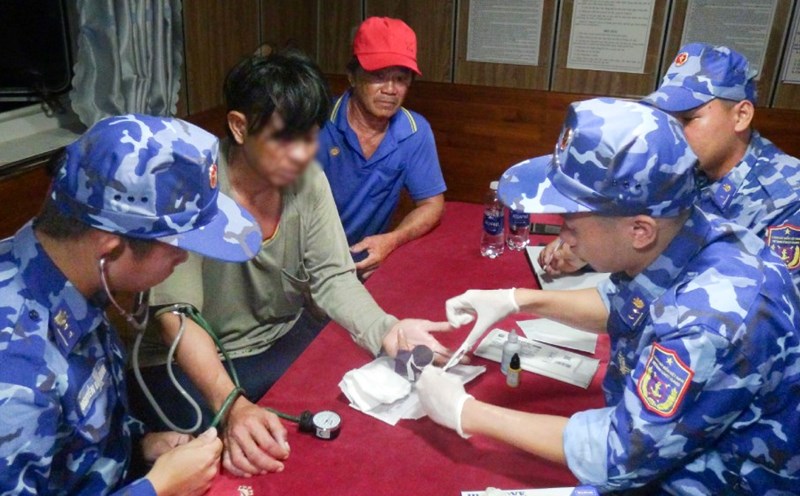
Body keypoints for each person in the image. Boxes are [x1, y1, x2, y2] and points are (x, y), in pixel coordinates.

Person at [416, 98, 800, 493]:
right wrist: (516, 300)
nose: (562, 236)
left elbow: (620, 452)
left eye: (570, 223)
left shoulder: (710, 322)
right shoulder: (684, 227)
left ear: (639, 230)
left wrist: (467, 413)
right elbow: (623, 305)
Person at [130, 50, 453, 478]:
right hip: (187, 362)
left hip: (279, 340)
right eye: (287, 139)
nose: (303, 155)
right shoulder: (192, 184)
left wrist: (387, 329)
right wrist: (230, 405)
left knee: (351, 410)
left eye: (311, 138)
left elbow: (333, 277)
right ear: (239, 127)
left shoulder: (306, 178)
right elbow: (178, 317)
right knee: (210, 461)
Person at [0, 114, 264, 495]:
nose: (183, 260)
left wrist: (140, 448)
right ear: (111, 248)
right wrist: (158, 488)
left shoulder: (68, 272)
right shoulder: (16, 369)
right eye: (176, 248)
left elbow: (75, 442)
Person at [540, 43, 800, 292]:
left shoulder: (787, 197)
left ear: (741, 115)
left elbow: (769, 312)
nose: (673, 131)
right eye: (667, 119)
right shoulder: (681, 167)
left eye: (688, 119)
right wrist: (588, 246)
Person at [317, 16, 446, 279]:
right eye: (378, 76)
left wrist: (392, 239)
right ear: (352, 76)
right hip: (306, 265)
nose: (390, 89)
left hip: (363, 266)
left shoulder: (414, 131)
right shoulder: (316, 123)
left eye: (400, 78)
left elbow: (432, 204)